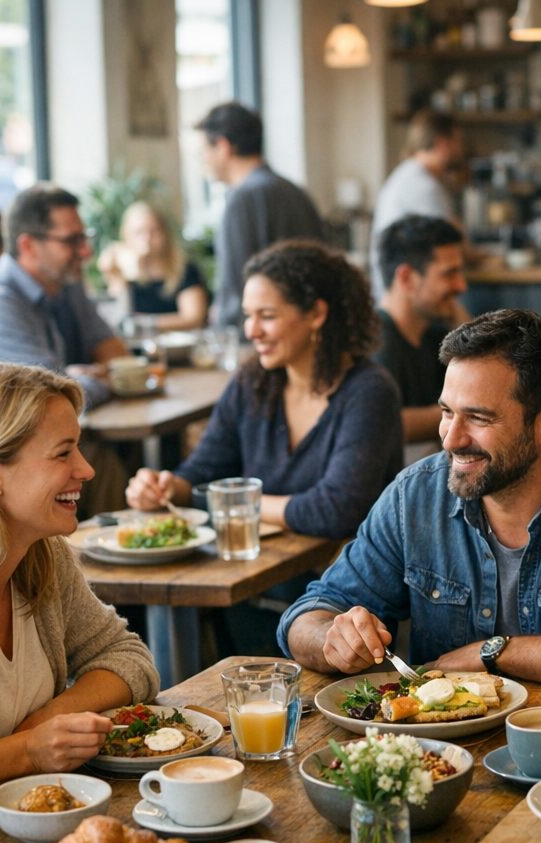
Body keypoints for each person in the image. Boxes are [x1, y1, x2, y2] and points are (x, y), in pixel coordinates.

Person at [279, 308, 541, 695]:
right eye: (446, 412)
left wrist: (490, 653)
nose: (451, 438)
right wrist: (331, 637)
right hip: (440, 757)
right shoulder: (414, 496)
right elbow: (307, 615)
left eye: (478, 418)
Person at [125, 240, 404, 652]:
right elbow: (201, 472)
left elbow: (337, 509)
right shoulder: (253, 381)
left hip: (342, 613)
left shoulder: (368, 391)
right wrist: (164, 487)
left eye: (267, 316)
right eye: (248, 317)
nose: (251, 331)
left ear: (316, 314)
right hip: (250, 595)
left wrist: (230, 502)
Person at [0, 361, 159, 815]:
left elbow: (130, 660)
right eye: (63, 453)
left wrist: (52, 717)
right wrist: (30, 749)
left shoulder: (41, 553)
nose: (87, 469)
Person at [0, 182, 127, 411]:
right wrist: (102, 378)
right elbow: (57, 400)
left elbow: (113, 351)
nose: (86, 251)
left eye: (84, 238)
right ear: (28, 245)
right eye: (71, 241)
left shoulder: (65, 283)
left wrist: (91, 376)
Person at [195, 102, 324, 330]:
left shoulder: (241, 200)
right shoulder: (296, 192)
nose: (203, 159)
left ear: (223, 147)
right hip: (305, 331)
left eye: (205, 150)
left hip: (259, 340)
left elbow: (237, 289)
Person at [377, 214, 469, 455]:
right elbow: (383, 423)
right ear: (407, 278)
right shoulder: (375, 341)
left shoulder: (434, 332)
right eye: (449, 274)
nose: (462, 286)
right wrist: (471, 411)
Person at [369, 110, 465, 297]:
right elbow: (451, 245)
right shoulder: (424, 186)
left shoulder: (410, 174)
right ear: (442, 143)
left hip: (399, 291)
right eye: (457, 141)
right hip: (405, 296)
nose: (460, 149)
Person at [97, 200, 209, 331]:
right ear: (126, 236)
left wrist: (144, 323)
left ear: (165, 233)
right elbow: (118, 318)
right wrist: (114, 275)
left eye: (154, 231)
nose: (147, 238)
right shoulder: (123, 269)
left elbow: (194, 318)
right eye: (139, 232)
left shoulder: (185, 269)